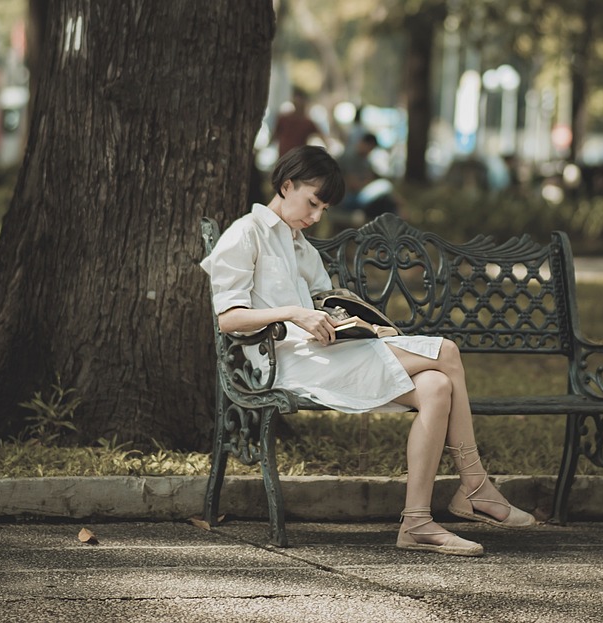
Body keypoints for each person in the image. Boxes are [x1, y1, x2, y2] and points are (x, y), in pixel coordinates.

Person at [200, 145, 535, 557]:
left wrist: (358, 325)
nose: (317, 216)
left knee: (434, 387)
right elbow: (228, 319)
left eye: (323, 208)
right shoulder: (245, 233)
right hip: (281, 364)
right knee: (445, 352)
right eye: (313, 203)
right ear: (286, 186)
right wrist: (295, 315)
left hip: (324, 355)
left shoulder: (298, 244)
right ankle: (475, 487)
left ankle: (417, 522)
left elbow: (327, 301)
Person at [272, 89, 325, 156]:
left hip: (297, 158)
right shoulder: (284, 118)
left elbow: (322, 137)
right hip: (284, 157)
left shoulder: (308, 123)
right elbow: (274, 136)